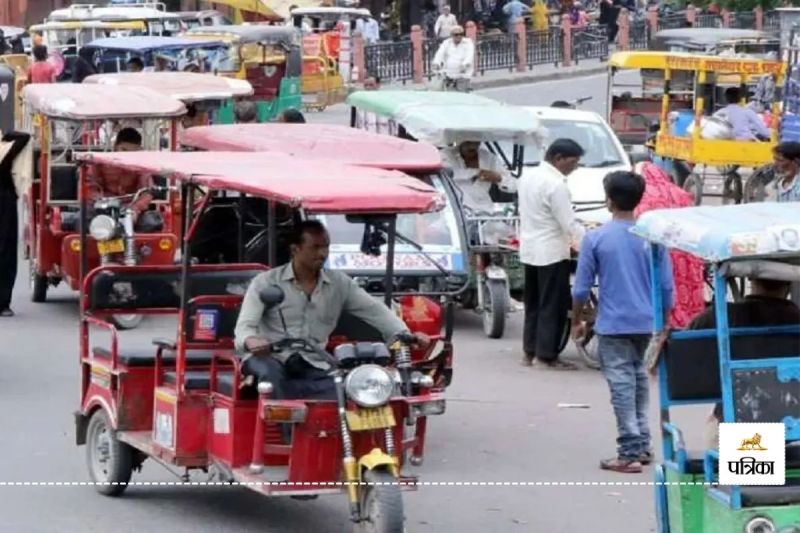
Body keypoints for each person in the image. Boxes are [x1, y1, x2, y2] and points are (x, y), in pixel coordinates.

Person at [234, 220, 430, 401]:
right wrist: (251, 340)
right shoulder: (265, 282)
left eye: (326, 246)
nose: (323, 253)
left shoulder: (339, 283)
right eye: (315, 247)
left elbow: (375, 310)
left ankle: (337, 437)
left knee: (351, 387)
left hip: (315, 360)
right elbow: (245, 326)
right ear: (295, 249)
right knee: (271, 376)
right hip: (270, 358)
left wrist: (405, 334)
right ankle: (282, 436)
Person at [572, 171, 674, 473]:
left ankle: (629, 451)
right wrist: (665, 321)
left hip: (614, 324)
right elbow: (666, 287)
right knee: (640, 380)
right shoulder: (652, 238)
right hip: (647, 322)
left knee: (621, 385)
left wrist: (577, 320)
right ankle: (642, 444)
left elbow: (580, 288)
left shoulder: (595, 238)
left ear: (609, 200)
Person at [689, 278, 800, 448]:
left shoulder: (717, 317)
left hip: (741, 433)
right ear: (788, 284)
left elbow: (686, 361)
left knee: (752, 467)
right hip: (796, 431)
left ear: (750, 278)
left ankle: (752, 472)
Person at [519, 139, 586, 370]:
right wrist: (588, 242)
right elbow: (568, 223)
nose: (575, 167)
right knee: (553, 305)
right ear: (558, 158)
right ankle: (547, 355)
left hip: (530, 248)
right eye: (573, 162)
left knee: (534, 303)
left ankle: (530, 351)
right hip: (552, 251)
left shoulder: (527, 176)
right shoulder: (555, 184)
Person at [633, 161, 705, 328]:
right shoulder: (680, 194)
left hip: (659, 252)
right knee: (683, 291)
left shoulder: (642, 196)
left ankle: (664, 322)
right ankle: (687, 325)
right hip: (686, 252)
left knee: (661, 289)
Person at [0, 131, 32, 317]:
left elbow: (24, 137)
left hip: (5, 203)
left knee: (6, 252)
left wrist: (5, 136)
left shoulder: (5, 149)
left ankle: (3, 302)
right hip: (5, 202)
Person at [87, 128, 152, 219]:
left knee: (152, 222)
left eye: (132, 153)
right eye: (124, 150)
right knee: (82, 220)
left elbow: (146, 192)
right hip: (101, 207)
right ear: (115, 146)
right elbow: (91, 187)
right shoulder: (100, 163)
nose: (126, 155)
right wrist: (101, 203)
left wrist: (135, 209)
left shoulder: (142, 166)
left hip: (130, 207)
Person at [441, 141, 516, 214]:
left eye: (476, 142)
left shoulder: (489, 157)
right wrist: (476, 172)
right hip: (455, 212)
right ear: (460, 140)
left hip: (484, 213)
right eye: (468, 142)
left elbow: (513, 186)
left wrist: (499, 178)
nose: (472, 146)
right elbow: (447, 173)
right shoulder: (444, 155)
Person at [432, 26, 474, 91]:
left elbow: (469, 55)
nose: (459, 36)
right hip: (449, 73)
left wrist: (465, 65)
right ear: (451, 35)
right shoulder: (447, 42)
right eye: (456, 35)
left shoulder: (468, 43)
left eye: (461, 34)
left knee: (462, 94)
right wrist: (436, 63)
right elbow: (440, 54)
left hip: (462, 74)